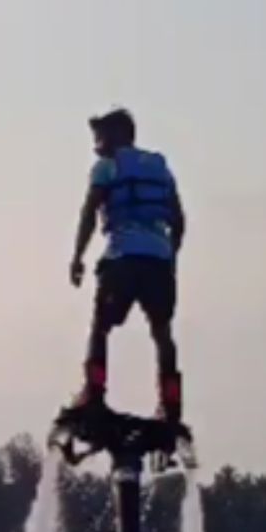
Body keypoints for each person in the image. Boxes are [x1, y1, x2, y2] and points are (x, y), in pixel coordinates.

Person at [68, 106, 186, 423]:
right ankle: (171, 403)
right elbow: (179, 219)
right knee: (162, 332)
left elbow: (89, 212)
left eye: (101, 137)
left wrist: (77, 256)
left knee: (100, 327)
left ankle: (93, 393)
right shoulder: (161, 168)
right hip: (158, 261)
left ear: (119, 135)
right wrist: (169, 256)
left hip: (122, 259)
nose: (97, 145)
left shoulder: (107, 167)